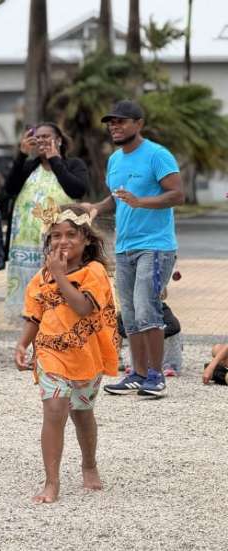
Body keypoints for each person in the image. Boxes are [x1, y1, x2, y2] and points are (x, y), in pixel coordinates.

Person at [15, 202, 119, 504]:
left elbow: (84, 307)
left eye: (71, 234)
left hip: (86, 356)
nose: (63, 241)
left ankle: (89, 464)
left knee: (82, 414)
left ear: (86, 239)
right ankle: (52, 482)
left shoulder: (94, 272)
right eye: (56, 235)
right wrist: (22, 343)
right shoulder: (41, 278)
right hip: (50, 352)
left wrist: (59, 275)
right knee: (55, 409)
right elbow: (34, 315)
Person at [87, 100, 184, 399]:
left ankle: (156, 376)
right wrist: (94, 207)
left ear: (138, 123)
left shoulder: (157, 155)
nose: (114, 126)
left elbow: (177, 194)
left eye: (121, 121)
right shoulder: (115, 160)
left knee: (146, 308)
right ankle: (137, 373)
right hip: (124, 247)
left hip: (155, 247)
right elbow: (116, 199)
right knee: (128, 314)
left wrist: (142, 202)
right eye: (111, 122)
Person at [4, 122, 88, 324]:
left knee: (56, 289)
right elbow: (9, 189)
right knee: (31, 295)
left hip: (57, 242)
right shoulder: (29, 166)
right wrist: (21, 155)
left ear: (58, 140)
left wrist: (56, 160)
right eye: (37, 137)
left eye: (46, 136)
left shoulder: (73, 164)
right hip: (25, 246)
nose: (41, 140)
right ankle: (32, 344)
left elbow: (76, 190)